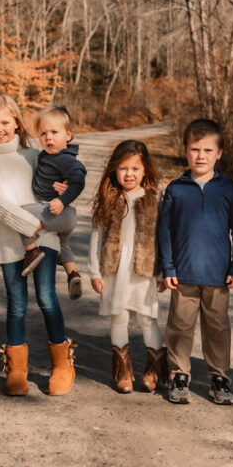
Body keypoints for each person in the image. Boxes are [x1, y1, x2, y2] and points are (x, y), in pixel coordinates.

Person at [0, 93, 76, 396]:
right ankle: (17, 369)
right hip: (9, 239)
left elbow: (57, 187)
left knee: (45, 298)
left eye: (5, 122)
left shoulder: (34, 155)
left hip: (44, 237)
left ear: (17, 123)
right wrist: (30, 225)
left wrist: (64, 194)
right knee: (16, 304)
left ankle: (62, 364)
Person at [158, 118, 233, 405]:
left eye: (208, 150)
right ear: (185, 151)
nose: (201, 156)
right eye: (195, 149)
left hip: (218, 275)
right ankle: (178, 375)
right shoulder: (176, 188)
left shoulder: (228, 188)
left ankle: (219, 378)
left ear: (219, 153)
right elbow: (165, 232)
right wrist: (168, 267)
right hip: (183, 274)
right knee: (180, 327)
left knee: (217, 329)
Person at [88, 140, 166, 393]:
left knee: (147, 318)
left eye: (135, 168)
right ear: (114, 170)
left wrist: (164, 272)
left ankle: (154, 372)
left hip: (144, 270)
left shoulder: (156, 199)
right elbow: (97, 236)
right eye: (123, 168)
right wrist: (94, 271)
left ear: (145, 171)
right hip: (115, 268)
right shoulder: (111, 198)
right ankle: (123, 373)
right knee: (118, 317)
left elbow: (165, 238)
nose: (129, 174)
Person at [20, 104, 86, 300]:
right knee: (64, 246)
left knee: (21, 215)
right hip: (65, 219)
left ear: (68, 135)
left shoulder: (64, 159)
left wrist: (63, 200)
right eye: (43, 134)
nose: (48, 138)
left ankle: (32, 251)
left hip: (56, 211)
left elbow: (79, 179)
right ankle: (73, 274)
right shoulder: (48, 156)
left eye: (54, 132)